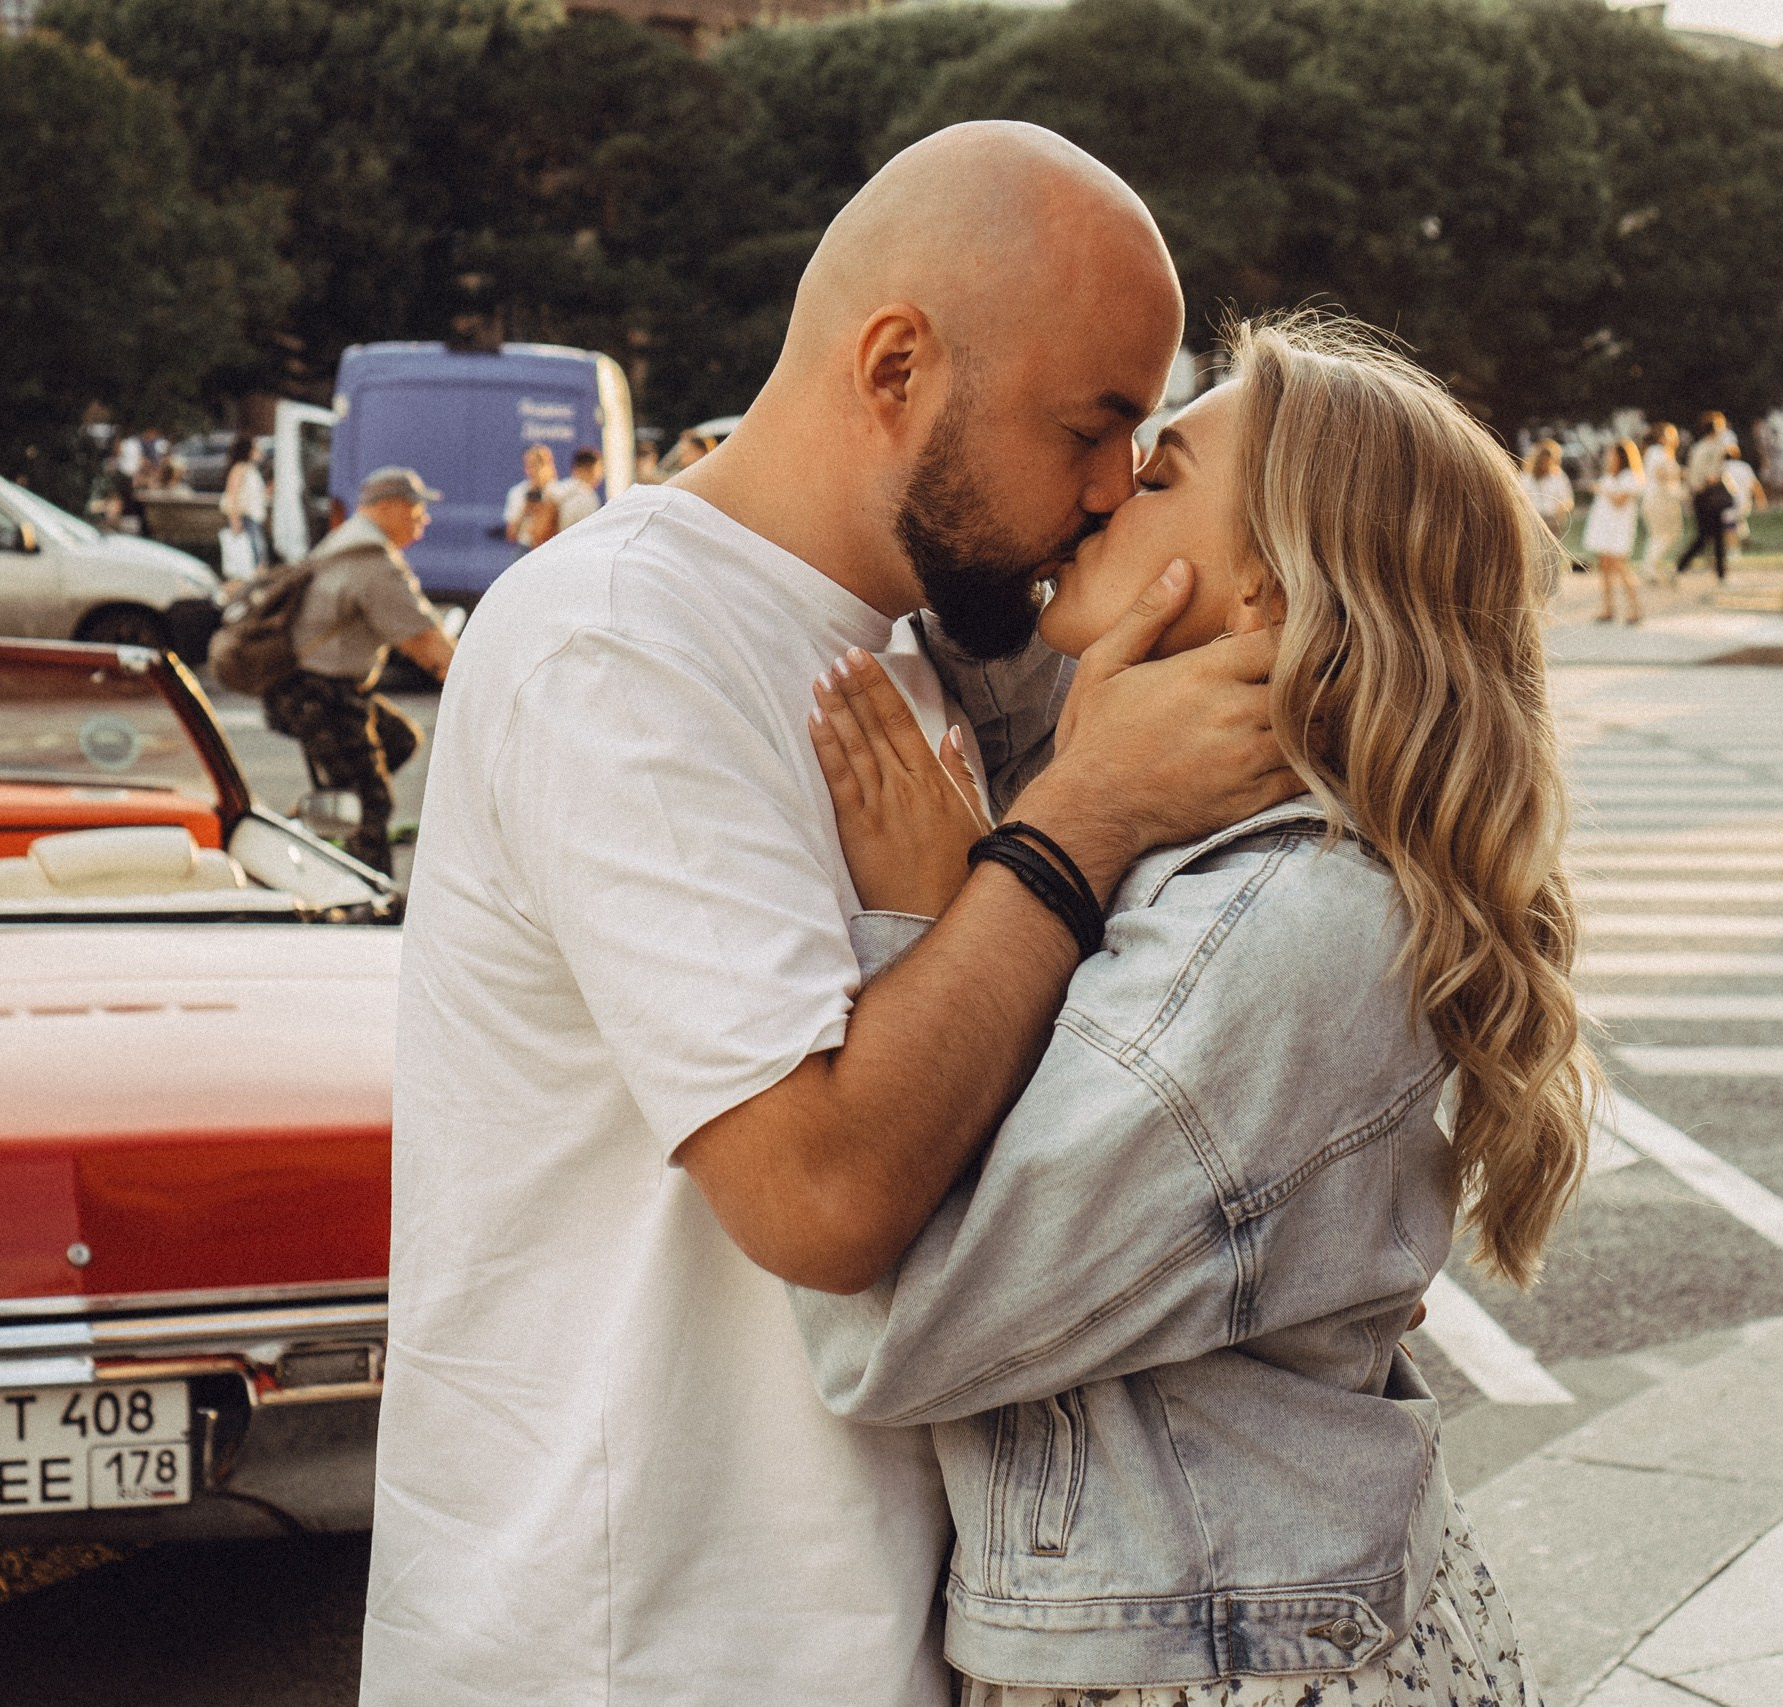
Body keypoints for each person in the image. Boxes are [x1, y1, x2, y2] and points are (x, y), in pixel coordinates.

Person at [369, 121, 1296, 1706]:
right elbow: (822, 1193)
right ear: (896, 368)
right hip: (638, 1650)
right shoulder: (622, 642)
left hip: (848, 1632)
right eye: (1090, 427)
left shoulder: (920, 648)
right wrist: (1081, 819)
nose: (1107, 490)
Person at [791, 307, 1579, 1706]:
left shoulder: (1279, 929)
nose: (1104, 492)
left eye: (1155, 476)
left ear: (1267, 594)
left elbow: (900, 1329)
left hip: (1213, 1660)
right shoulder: (1227, 859)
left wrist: (936, 919)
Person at [261, 465, 456, 876]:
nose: (424, 517)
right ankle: (366, 897)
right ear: (388, 507)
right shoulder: (369, 558)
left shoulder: (347, 541)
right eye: (416, 508)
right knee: (370, 804)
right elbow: (425, 641)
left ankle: (310, 822)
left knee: (398, 740)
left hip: (312, 687)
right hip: (317, 693)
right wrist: (472, 677)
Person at [1585, 438, 1645, 622]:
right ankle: (1608, 608)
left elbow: (1620, 501)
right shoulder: (1609, 476)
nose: (1609, 458)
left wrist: (1602, 489)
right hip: (1604, 525)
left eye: (1612, 455)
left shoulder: (1630, 477)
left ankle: (1635, 608)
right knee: (1604, 567)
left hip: (1619, 527)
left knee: (1620, 566)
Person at [1675, 411, 1735, 581]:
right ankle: (1717, 573)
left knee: (1706, 536)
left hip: (1699, 495)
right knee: (1713, 536)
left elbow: (1692, 473)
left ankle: (1683, 566)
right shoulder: (1716, 448)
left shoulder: (1697, 448)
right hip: (1710, 494)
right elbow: (1713, 476)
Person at [1640, 421, 1686, 582]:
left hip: (1658, 499)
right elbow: (1660, 474)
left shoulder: (1658, 452)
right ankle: (1649, 568)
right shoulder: (1658, 452)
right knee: (1668, 535)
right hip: (1660, 500)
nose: (1675, 438)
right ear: (1661, 437)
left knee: (1658, 536)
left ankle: (1649, 568)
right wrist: (1681, 473)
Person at [219, 433, 268, 580]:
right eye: (256, 449)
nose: (259, 452)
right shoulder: (239, 468)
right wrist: (234, 519)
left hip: (254, 519)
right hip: (245, 520)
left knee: (258, 558)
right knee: (254, 560)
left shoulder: (251, 469)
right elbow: (232, 495)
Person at [501, 444, 560, 547]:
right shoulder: (517, 493)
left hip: (554, 547)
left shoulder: (560, 492)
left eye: (540, 463)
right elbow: (511, 535)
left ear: (550, 465)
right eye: (530, 465)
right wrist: (525, 510)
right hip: (525, 548)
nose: (535, 470)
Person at [1518, 438, 1573, 541]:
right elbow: (1520, 499)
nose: (1544, 464)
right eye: (1541, 461)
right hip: (1534, 521)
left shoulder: (1558, 477)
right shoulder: (1526, 478)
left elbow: (1568, 501)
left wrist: (1559, 513)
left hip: (1553, 520)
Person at [552, 447, 604, 529]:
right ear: (590, 468)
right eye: (599, 468)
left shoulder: (556, 490)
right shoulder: (587, 496)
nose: (601, 474)